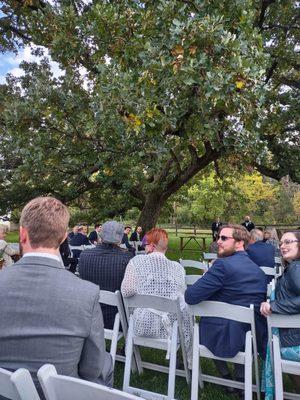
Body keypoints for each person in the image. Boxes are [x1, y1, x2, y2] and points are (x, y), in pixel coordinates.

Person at [0, 197, 113, 398]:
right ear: (63, 238)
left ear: (23, 234)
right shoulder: (86, 293)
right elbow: (92, 369)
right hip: (60, 394)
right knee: (106, 363)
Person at [185, 224, 267, 391]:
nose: (218, 242)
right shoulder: (259, 271)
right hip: (254, 335)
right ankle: (240, 380)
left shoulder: (222, 266)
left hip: (226, 335)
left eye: (224, 238)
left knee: (205, 323)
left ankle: (226, 376)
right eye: (218, 237)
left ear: (239, 243)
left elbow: (190, 296)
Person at [121, 228, 192, 364]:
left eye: (146, 244)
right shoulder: (178, 268)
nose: (144, 247)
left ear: (152, 246)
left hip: (141, 325)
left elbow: (126, 291)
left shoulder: (136, 262)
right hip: (172, 329)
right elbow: (182, 298)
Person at [260, 230, 300, 395]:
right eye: (281, 243)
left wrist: (273, 306)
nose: (282, 246)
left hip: (294, 341)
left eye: (288, 242)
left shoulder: (296, 268)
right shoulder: (293, 266)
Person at [79, 221, 133, 329]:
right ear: (120, 237)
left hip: (89, 314)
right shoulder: (126, 258)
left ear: (101, 235)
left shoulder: (84, 255)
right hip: (117, 318)